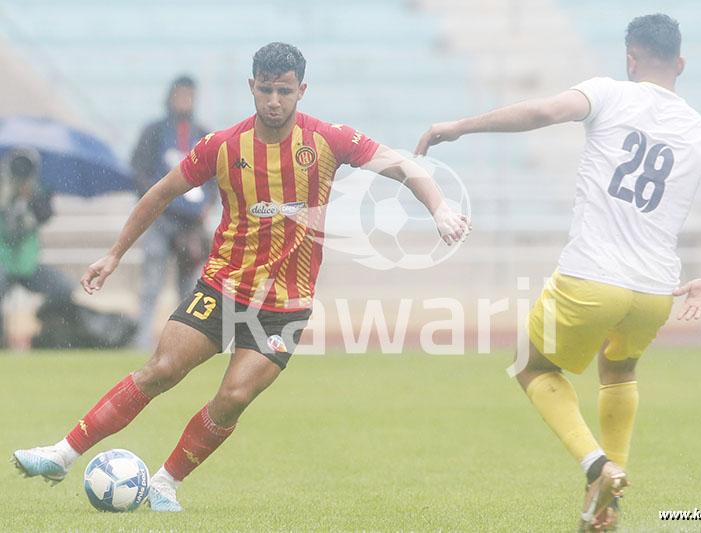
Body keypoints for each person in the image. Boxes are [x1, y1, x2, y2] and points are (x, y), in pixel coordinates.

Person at [11, 42, 470, 511]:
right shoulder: (223, 145)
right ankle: (62, 453)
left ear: (301, 91)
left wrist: (440, 208)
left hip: (287, 306)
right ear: (251, 86)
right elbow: (160, 193)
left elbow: (402, 166)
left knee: (231, 398)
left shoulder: (330, 140)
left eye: (285, 91)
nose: (274, 100)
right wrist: (113, 255)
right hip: (224, 287)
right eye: (266, 89)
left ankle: (166, 483)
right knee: (162, 370)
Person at [416, 14, 701, 531]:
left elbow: (542, 110)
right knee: (618, 372)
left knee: (530, 364)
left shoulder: (609, 93)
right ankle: (608, 503)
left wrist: (459, 127)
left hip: (590, 278)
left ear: (630, 59)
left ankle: (597, 465)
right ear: (681, 64)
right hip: (653, 294)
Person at [130, 75, 215, 350]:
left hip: (190, 225)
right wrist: (158, 199)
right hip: (159, 220)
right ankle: (143, 337)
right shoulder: (154, 133)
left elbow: (214, 178)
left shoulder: (201, 134)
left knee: (188, 287)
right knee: (152, 281)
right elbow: (139, 171)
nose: (184, 101)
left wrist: (206, 205)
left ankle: (183, 342)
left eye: (189, 96)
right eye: (180, 95)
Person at [0, 147, 73, 347]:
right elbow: (9, 229)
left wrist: (30, 197)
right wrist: (12, 200)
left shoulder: (39, 191)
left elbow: (45, 215)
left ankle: (47, 338)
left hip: (28, 264)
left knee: (64, 289)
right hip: (3, 261)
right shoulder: (3, 188)